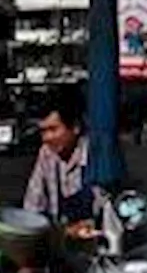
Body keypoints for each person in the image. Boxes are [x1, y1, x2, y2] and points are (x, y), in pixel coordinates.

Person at [23, 90, 100, 229]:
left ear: (75, 127)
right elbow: (33, 204)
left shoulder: (95, 154)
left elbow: (107, 210)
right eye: (43, 131)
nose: (47, 138)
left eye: (53, 130)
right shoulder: (46, 154)